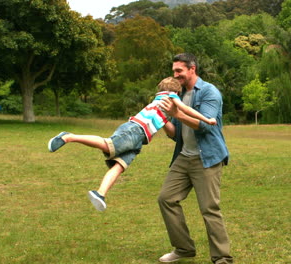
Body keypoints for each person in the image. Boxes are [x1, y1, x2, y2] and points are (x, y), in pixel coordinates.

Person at [47, 77, 216, 212]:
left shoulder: (159, 100)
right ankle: (69, 137)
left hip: (139, 139)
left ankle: (100, 194)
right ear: (175, 92)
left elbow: (167, 126)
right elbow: (185, 110)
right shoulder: (170, 97)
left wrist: (168, 118)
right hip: (135, 130)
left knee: (119, 166)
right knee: (108, 145)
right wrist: (205, 119)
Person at [157, 53, 233, 264]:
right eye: (174, 71)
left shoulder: (209, 92)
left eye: (179, 71)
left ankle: (222, 258)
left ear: (192, 69)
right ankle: (183, 248)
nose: (175, 75)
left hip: (206, 157)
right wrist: (161, 117)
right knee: (166, 198)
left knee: (209, 208)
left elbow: (205, 126)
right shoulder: (177, 95)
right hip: (184, 157)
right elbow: (175, 133)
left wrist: (178, 113)